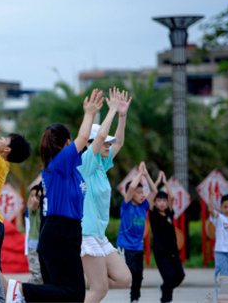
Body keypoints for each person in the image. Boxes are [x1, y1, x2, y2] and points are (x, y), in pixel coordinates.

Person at [6, 89, 104, 303]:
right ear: (67, 143)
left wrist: (111, 112)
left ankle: (24, 295)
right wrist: (89, 113)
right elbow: (83, 138)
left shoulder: (68, 169)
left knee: (59, 293)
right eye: (73, 144)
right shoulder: (60, 162)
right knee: (74, 294)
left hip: (63, 233)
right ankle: (21, 291)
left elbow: (95, 143)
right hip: (60, 232)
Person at [79, 88, 132, 303]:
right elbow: (102, 136)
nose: (108, 146)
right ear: (91, 144)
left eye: (108, 144)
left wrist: (122, 116)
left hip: (99, 235)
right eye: (104, 144)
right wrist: (110, 111)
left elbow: (118, 142)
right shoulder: (85, 162)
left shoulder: (101, 165)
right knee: (100, 289)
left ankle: (65, 283)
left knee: (124, 277)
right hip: (86, 233)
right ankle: (66, 284)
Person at [0, 118, 32, 291]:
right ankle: (14, 295)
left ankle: (16, 295)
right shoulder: (0, 162)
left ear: (7, 150)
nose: (0, 138)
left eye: (5, 138)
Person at [116, 163, 158, 303]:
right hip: (125, 247)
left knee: (138, 275)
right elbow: (132, 187)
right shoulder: (126, 205)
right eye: (138, 193)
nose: (142, 195)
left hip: (137, 247)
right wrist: (140, 173)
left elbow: (154, 191)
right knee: (126, 275)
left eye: (142, 192)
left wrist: (146, 175)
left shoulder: (143, 206)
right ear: (131, 194)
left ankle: (134, 299)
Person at [150, 171, 185, 303]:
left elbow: (172, 197)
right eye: (159, 200)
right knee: (169, 276)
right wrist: (158, 182)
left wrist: (165, 183)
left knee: (180, 275)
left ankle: (164, 288)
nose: (162, 203)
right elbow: (151, 196)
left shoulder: (169, 213)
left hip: (173, 250)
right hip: (161, 251)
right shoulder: (153, 214)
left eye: (164, 200)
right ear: (155, 202)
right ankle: (166, 300)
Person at [24, 184, 43, 285]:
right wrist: (37, 197)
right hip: (34, 246)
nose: (34, 198)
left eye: (37, 196)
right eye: (31, 195)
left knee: (44, 275)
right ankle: (22, 290)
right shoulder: (32, 209)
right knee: (37, 276)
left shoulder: (45, 210)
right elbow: (35, 203)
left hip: (43, 246)